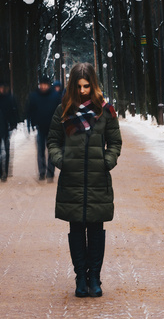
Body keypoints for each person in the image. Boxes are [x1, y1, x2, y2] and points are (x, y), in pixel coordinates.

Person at [47, 63, 122, 297]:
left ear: (93, 84)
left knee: (96, 230)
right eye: (78, 86)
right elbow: (53, 141)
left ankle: (95, 278)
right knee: (77, 230)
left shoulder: (105, 111)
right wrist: (62, 161)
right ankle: (80, 277)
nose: (82, 91)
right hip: (72, 180)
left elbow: (115, 142)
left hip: (98, 179)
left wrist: (106, 162)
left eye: (86, 86)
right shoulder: (63, 110)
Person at [28, 76, 62, 182]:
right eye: (41, 84)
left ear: (48, 85)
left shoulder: (55, 96)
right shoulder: (34, 96)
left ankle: (50, 173)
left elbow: (60, 111)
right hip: (40, 127)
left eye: (45, 84)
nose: (43, 87)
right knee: (40, 151)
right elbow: (30, 110)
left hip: (52, 128)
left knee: (51, 151)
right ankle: (42, 172)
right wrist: (31, 123)